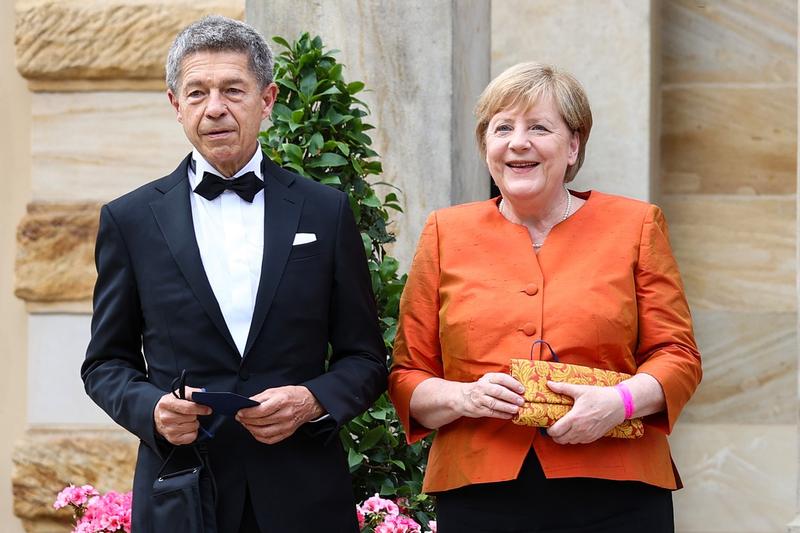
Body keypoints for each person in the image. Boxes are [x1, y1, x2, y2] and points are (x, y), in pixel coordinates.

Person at [81, 15, 387, 533]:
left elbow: (365, 357)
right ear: (176, 107)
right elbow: (105, 364)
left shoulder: (325, 211)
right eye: (196, 92)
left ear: (267, 100)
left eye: (232, 89)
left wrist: (311, 400)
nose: (214, 108)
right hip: (184, 494)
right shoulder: (129, 220)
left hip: (304, 497)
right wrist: (152, 409)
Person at [388, 62, 702, 533]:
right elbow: (408, 376)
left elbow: (677, 357)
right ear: (486, 146)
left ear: (573, 145)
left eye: (539, 127)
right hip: (479, 492)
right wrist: (464, 396)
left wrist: (620, 403)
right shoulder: (444, 232)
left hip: (617, 488)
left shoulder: (635, 225)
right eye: (503, 128)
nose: (518, 142)